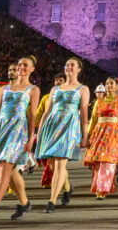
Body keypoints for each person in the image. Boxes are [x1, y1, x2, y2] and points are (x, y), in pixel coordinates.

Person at [0, 56, 41, 229]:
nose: (21, 67)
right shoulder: (4, 89)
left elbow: (32, 115)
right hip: (1, 130)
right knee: (11, 169)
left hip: (17, 131)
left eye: (25, 65)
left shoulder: (33, 90)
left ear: (32, 69)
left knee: (4, 169)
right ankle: (25, 202)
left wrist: (31, 138)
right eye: (19, 65)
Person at [36, 58, 89, 212]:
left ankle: (52, 200)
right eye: (67, 65)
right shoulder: (55, 89)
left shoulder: (83, 89)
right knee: (52, 165)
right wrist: (39, 132)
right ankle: (67, 187)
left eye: (72, 65)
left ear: (79, 69)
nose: (69, 67)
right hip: (52, 126)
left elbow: (84, 115)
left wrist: (84, 136)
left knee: (60, 164)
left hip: (69, 127)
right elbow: (47, 112)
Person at [84, 79, 118, 200]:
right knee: (98, 162)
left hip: (114, 134)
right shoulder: (98, 102)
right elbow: (93, 120)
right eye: (107, 83)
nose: (109, 85)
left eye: (111, 83)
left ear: (116, 86)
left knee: (108, 161)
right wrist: (88, 136)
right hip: (99, 133)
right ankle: (100, 187)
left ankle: (102, 189)